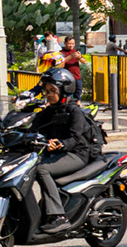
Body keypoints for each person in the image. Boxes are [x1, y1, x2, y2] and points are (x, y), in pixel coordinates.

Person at [28, 68, 102, 232]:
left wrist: (60, 144)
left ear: (63, 91)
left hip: (76, 154)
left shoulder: (73, 111)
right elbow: (32, 130)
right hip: (56, 154)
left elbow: (75, 139)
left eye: (52, 91)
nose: (48, 94)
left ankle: (58, 216)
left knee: (41, 169)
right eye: (46, 91)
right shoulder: (48, 111)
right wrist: (4, 136)